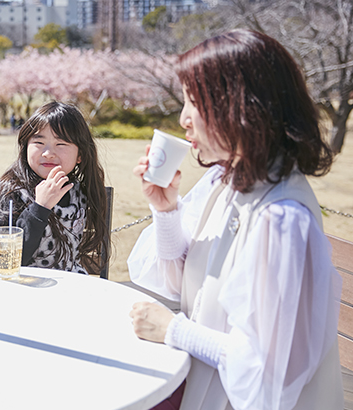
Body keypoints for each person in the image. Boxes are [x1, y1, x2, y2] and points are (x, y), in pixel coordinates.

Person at [128, 29, 343, 410]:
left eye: (194, 103)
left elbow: (267, 379)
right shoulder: (227, 179)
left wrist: (173, 330)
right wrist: (166, 211)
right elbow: (186, 286)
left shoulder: (281, 219)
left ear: (240, 108)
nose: (183, 119)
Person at [0, 101, 108, 274]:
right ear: (25, 147)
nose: (48, 153)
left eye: (61, 144)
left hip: (67, 286)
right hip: (20, 285)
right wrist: (40, 208)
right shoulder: (12, 193)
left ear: (80, 155)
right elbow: (8, 261)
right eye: (39, 142)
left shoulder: (78, 191)